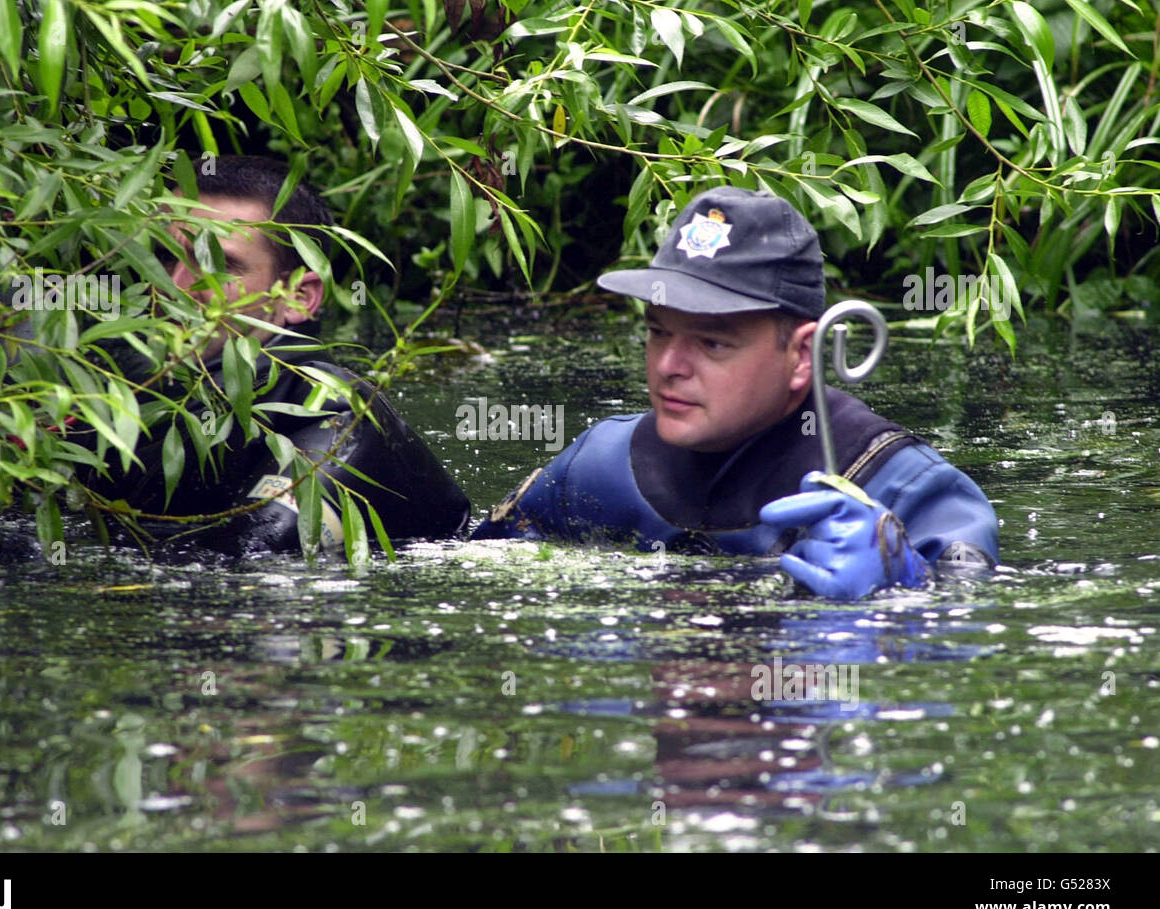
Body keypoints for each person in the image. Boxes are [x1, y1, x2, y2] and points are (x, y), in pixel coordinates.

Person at [471, 186, 999, 599]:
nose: (669, 367)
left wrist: (904, 588)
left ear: (799, 355)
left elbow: (975, 635)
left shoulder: (906, 492)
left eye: (712, 342)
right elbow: (466, 562)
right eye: (658, 332)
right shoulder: (598, 468)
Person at [78, 154, 470, 554]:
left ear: (298, 298)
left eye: (218, 264)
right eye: (163, 256)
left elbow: (248, 565)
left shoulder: (335, 418)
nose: (174, 286)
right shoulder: (91, 390)